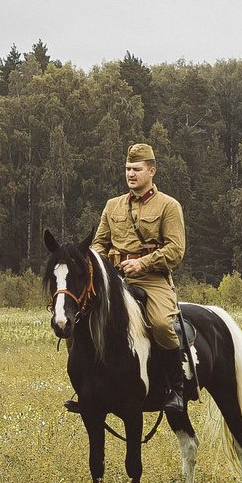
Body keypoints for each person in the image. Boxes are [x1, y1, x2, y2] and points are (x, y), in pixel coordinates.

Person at [90, 142, 192, 413]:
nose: (130, 174)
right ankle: (88, 388)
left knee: (159, 324)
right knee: (82, 318)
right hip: (115, 279)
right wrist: (102, 266)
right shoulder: (112, 206)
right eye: (127, 169)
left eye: (136, 169)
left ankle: (177, 388)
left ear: (151, 171)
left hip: (152, 279)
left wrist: (142, 263)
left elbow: (175, 250)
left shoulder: (169, 206)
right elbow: (99, 243)